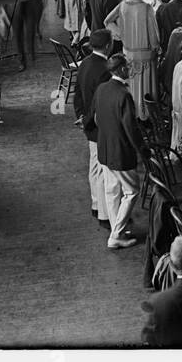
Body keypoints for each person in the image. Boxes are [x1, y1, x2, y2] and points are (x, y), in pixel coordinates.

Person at [90, 54, 147, 249]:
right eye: (128, 67)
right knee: (131, 192)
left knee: (112, 190)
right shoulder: (124, 95)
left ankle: (118, 229)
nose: (130, 69)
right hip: (120, 151)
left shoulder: (102, 88)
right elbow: (131, 128)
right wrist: (142, 150)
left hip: (104, 148)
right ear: (121, 69)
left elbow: (95, 117)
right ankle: (116, 235)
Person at [72, 29, 113, 227]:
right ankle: (105, 214)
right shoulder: (106, 69)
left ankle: (96, 204)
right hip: (99, 124)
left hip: (87, 122)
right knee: (105, 169)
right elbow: (102, 102)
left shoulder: (85, 63)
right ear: (108, 46)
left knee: (94, 166)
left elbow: (77, 92)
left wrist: (80, 116)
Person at [104, 0, 162, 112]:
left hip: (128, 53)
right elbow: (154, 37)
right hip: (146, 55)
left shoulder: (123, 5)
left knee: (132, 87)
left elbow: (107, 21)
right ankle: (146, 115)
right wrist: (157, 49)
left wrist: (121, 34)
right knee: (146, 89)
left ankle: (133, 113)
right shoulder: (147, 8)